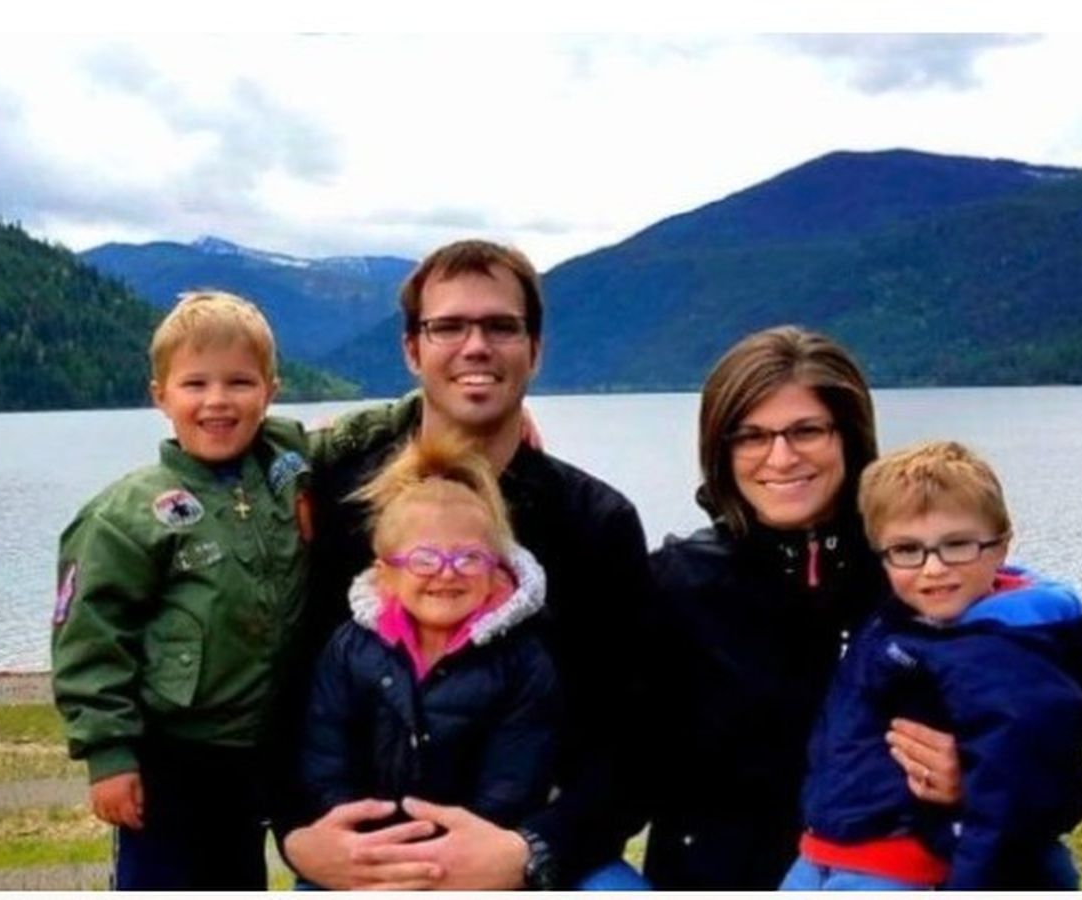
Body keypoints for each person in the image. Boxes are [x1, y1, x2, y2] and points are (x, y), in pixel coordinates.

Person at [278, 239, 652, 890]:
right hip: (365, 855)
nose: (476, 346)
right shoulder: (339, 500)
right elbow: (288, 691)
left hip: (534, 853)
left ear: (535, 349)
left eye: (501, 326)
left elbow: (630, 741)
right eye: (448, 326)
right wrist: (298, 836)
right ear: (411, 349)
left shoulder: (596, 523)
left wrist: (532, 850)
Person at [643, 325, 963, 889]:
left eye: (806, 430)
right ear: (721, 450)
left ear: (850, 436)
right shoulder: (674, 583)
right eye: (751, 436)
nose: (781, 457)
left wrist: (979, 768)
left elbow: (1051, 713)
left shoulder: (918, 574)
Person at [51, 291, 326, 889]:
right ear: (161, 396)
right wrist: (109, 754)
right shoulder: (126, 514)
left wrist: (435, 411)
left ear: (270, 391)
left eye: (240, 382)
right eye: (195, 384)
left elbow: (360, 434)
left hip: (266, 747)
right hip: (171, 757)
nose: (217, 400)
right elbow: (90, 641)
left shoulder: (285, 467)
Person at [780, 440, 1082, 890]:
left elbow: (1015, 797)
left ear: (1001, 546)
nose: (933, 568)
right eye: (907, 549)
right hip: (826, 850)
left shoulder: (1004, 653)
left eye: (957, 545)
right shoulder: (904, 618)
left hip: (907, 866)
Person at [298, 435, 559, 847]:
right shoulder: (349, 651)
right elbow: (325, 757)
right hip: (366, 847)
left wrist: (451, 851)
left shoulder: (522, 661)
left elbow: (515, 779)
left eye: (469, 558)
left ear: (496, 568)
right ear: (386, 574)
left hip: (477, 849)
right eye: (424, 559)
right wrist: (356, 834)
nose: (447, 572)